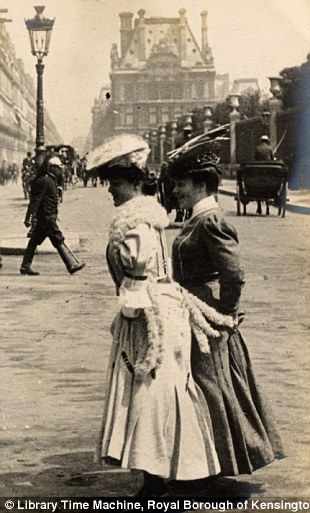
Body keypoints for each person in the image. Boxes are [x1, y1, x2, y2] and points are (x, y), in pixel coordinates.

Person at [88, 134, 239, 496]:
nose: (112, 190)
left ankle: (159, 477)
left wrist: (119, 259)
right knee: (163, 389)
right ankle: (173, 469)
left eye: (117, 183)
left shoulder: (134, 223)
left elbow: (137, 267)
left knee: (150, 391)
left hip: (148, 311)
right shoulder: (148, 217)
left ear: (134, 183)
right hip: (163, 304)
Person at [169, 151, 284, 480]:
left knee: (210, 383)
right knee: (208, 383)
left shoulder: (211, 221)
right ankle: (213, 459)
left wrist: (225, 314)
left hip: (207, 316)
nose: (175, 190)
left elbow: (233, 274)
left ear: (202, 186)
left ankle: (225, 460)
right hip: (194, 311)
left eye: (181, 185)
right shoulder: (196, 218)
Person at [20, 155, 85, 276]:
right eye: (57, 168)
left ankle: (25, 266)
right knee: (58, 239)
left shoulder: (51, 180)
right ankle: (70, 265)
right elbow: (35, 201)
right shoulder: (44, 181)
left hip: (48, 217)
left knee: (34, 241)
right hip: (46, 217)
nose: (60, 170)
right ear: (51, 168)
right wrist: (28, 217)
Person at [254, 135, 275, 214]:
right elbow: (272, 159)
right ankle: (267, 209)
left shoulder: (257, 148)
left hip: (259, 170)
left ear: (261, 141)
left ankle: (259, 207)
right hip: (268, 170)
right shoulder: (270, 148)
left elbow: (255, 159)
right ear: (267, 141)